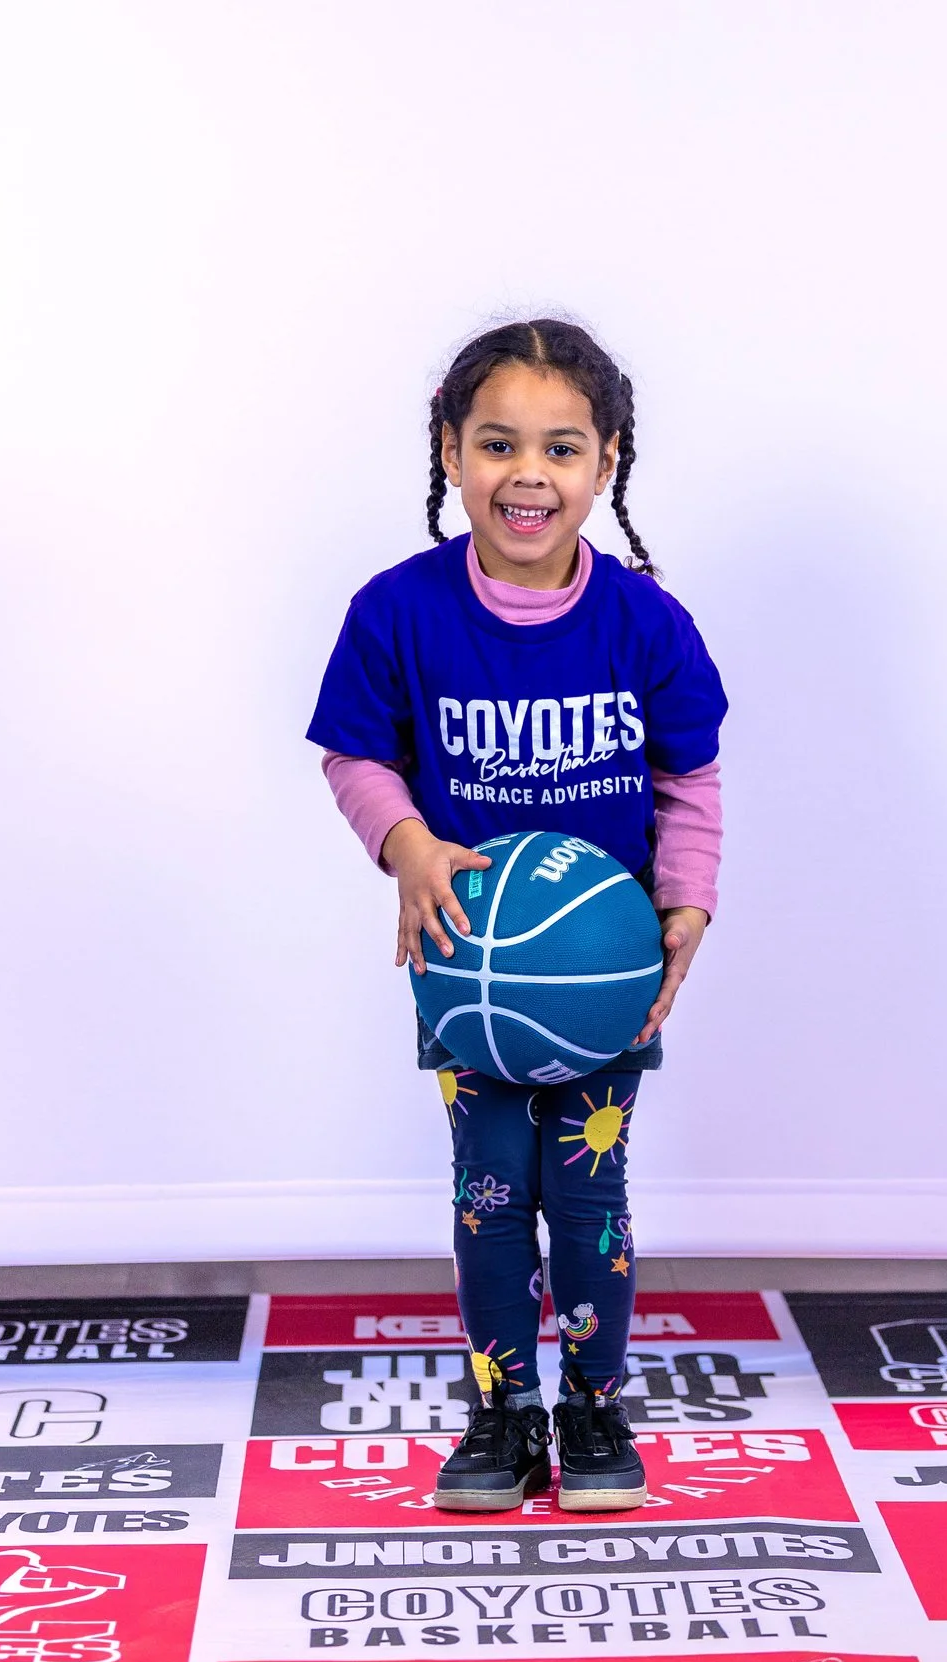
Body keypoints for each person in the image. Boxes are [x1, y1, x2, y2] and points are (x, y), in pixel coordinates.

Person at [307, 320, 728, 1513]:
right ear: (452, 451)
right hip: (466, 967)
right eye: (498, 444)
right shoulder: (399, 611)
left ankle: (594, 1407)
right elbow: (354, 755)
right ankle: (501, 1412)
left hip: (603, 974)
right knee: (490, 1187)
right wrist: (407, 843)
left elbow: (687, 779)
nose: (527, 474)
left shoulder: (647, 623)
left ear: (606, 463)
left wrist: (689, 898)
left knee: (587, 1192)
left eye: (561, 447)